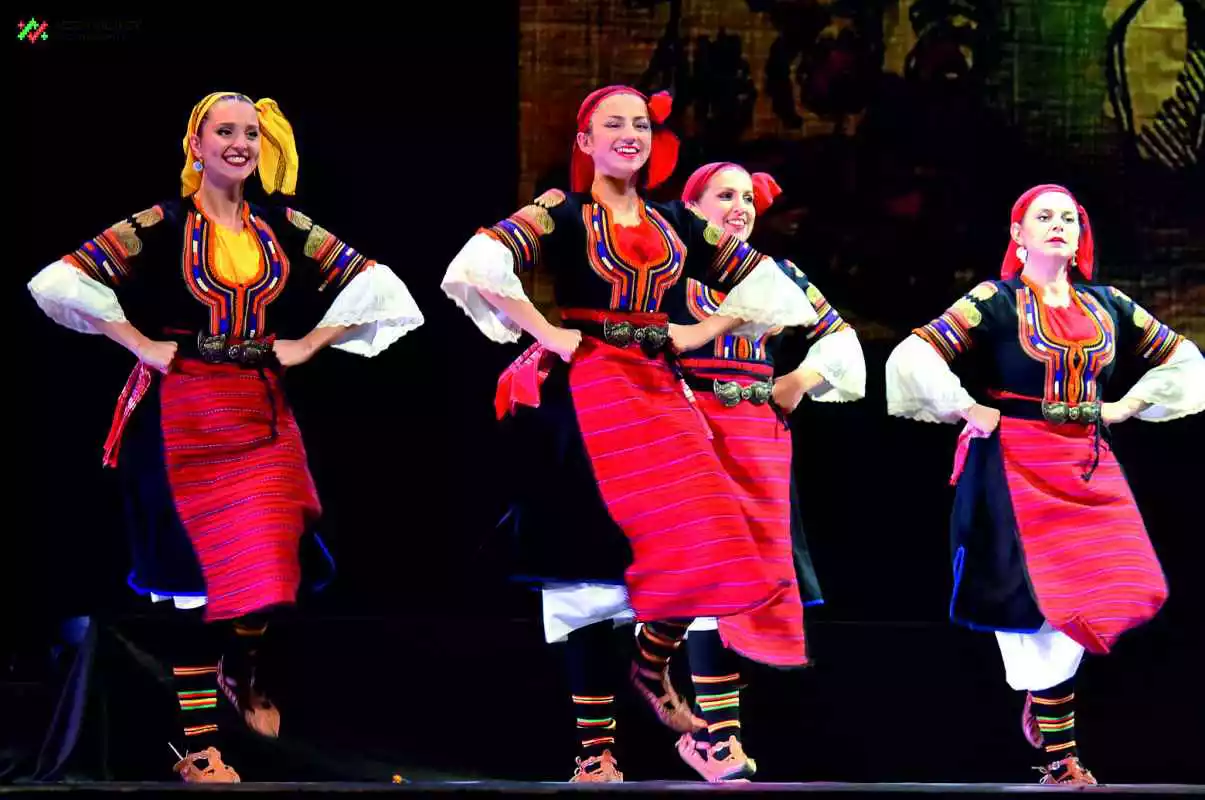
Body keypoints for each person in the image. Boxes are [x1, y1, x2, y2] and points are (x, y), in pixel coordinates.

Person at [27, 92, 424, 782]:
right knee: (192, 582)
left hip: (258, 407)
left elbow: (377, 283)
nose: (239, 144)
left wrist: (310, 343)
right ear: (197, 145)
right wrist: (137, 341)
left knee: (272, 561)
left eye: (250, 133)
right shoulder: (161, 222)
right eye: (225, 132)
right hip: (184, 408)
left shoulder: (283, 224)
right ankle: (198, 747)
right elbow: (61, 280)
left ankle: (239, 664)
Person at [441, 85, 819, 781]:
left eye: (639, 124)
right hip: (585, 393)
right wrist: (546, 330)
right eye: (612, 124)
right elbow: (479, 263)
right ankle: (595, 754)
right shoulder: (562, 210)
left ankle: (650, 663)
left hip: (655, 386)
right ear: (584, 142)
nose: (629, 134)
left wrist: (699, 331)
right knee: (588, 573)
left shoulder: (676, 222)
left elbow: (769, 288)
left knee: (715, 534)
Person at [884, 184, 1204, 785]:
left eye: (1068, 218)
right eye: (1044, 216)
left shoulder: (1109, 304)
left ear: (1080, 237)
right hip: (1015, 462)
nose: (1059, 224)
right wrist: (965, 407)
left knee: (1116, 583)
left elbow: (1184, 358)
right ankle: (1060, 758)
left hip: (1086, 461)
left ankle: (1046, 694)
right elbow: (914, 354)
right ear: (1018, 234)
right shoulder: (995, 300)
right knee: (1032, 601)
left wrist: (1127, 405)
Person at [668, 161, 866, 781]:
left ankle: (712, 735)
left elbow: (841, 339)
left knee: (741, 589)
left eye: (748, 198)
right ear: (692, 207)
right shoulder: (667, 268)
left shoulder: (779, 275)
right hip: (688, 436)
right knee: (708, 582)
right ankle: (716, 739)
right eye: (725, 195)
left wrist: (799, 379)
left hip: (757, 443)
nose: (740, 207)